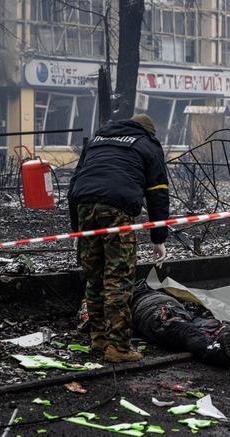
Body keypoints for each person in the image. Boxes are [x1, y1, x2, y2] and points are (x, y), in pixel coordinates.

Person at [68, 112, 169, 363]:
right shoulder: (148, 144)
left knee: (94, 277)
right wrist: (158, 238)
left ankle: (98, 339)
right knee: (118, 278)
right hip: (116, 209)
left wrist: (77, 231)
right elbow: (157, 193)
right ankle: (119, 348)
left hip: (84, 205)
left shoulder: (99, 140)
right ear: (149, 131)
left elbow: (74, 184)